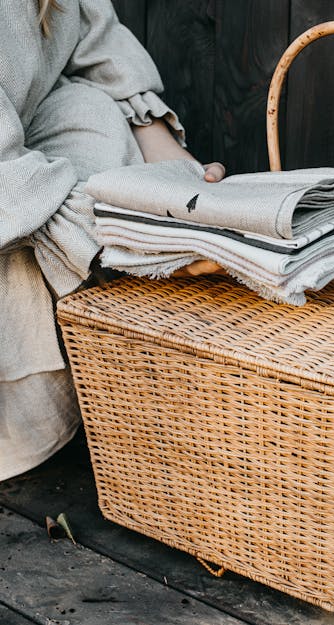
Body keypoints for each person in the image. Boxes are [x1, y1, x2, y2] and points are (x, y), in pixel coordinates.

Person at [0, 0, 225, 480]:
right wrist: (128, 239)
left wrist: (179, 173)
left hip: (23, 134)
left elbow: (94, 36)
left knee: (90, 111)